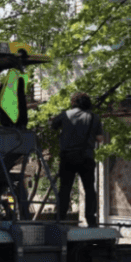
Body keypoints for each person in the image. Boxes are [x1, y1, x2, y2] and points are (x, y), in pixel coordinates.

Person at [51, 92, 104, 226]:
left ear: (73, 102)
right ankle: (90, 219)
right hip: (86, 157)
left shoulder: (65, 115)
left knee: (65, 188)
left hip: (67, 157)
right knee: (89, 189)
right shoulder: (94, 117)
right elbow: (100, 139)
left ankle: (61, 217)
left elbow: (53, 126)